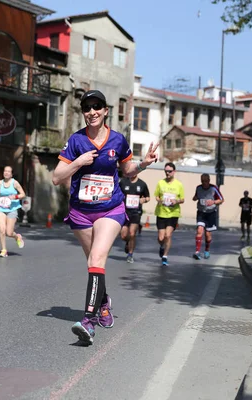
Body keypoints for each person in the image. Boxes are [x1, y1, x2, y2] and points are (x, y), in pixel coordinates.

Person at [52, 89, 159, 345]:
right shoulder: (76, 141)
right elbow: (56, 177)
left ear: (106, 110)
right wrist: (78, 162)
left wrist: (143, 164)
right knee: (93, 263)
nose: (92, 112)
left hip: (110, 209)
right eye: (87, 108)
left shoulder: (118, 140)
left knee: (97, 258)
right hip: (80, 212)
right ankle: (103, 302)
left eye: (97, 106)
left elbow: (127, 168)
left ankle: (88, 322)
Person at [154, 162, 185, 267]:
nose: (167, 173)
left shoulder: (179, 184)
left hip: (173, 213)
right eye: (166, 171)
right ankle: (162, 247)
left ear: (174, 172)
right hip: (161, 212)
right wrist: (160, 201)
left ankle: (165, 256)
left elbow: (182, 199)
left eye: (170, 171)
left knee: (168, 235)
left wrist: (176, 201)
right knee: (161, 238)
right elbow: (157, 196)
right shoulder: (160, 183)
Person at [0, 166, 26, 257]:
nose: (6, 173)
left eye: (8, 171)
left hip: (12, 209)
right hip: (1, 209)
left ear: (11, 174)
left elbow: (23, 194)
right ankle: (3, 250)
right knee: (1, 230)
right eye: (5, 171)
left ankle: (17, 237)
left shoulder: (15, 183)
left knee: (9, 232)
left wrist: (16, 197)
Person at [192, 173, 224, 260]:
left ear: (209, 181)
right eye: (202, 181)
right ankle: (197, 252)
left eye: (206, 181)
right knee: (199, 230)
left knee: (207, 234)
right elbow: (196, 196)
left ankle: (207, 250)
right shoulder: (198, 188)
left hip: (211, 213)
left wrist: (213, 202)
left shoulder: (213, 188)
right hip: (201, 212)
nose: (204, 183)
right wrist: (195, 198)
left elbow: (221, 200)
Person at [120, 173, 150, 263]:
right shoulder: (123, 182)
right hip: (124, 212)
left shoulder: (142, 184)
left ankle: (130, 254)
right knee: (123, 235)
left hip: (136, 212)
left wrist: (143, 200)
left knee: (132, 233)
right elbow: (116, 193)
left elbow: (148, 197)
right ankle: (128, 242)